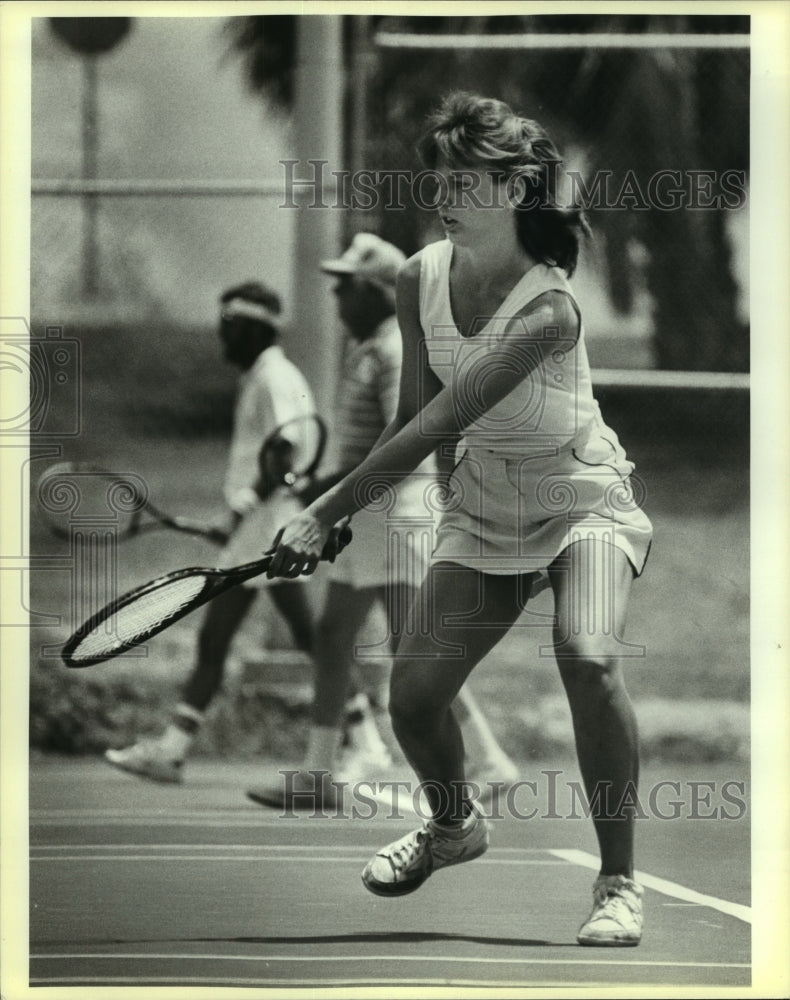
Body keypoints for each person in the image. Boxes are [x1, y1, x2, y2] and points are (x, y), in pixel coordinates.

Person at [263, 95, 654, 948]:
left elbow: (439, 420)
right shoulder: (417, 276)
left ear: (515, 189)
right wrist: (422, 510)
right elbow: (420, 412)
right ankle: (453, 827)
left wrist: (321, 511)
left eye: (463, 180)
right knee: (412, 700)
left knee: (588, 657)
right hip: (481, 510)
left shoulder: (549, 311)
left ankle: (618, 883)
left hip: (580, 500)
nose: (442, 193)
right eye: (437, 177)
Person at [246, 233, 519, 810]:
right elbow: (364, 452)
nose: (337, 298)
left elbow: (411, 436)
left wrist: (326, 500)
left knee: (410, 648)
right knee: (333, 636)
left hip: (396, 516)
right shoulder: (369, 347)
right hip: (369, 518)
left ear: (376, 292)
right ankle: (320, 772)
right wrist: (325, 494)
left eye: (346, 287)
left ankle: (489, 761)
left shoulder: (393, 349)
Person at [104, 281, 323, 783]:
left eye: (228, 327)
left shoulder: (273, 378)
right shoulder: (263, 376)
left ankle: (172, 749)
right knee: (288, 637)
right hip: (267, 526)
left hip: (267, 527)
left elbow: (283, 454)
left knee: (228, 640)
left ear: (253, 328)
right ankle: (362, 735)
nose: (220, 337)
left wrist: (243, 509)